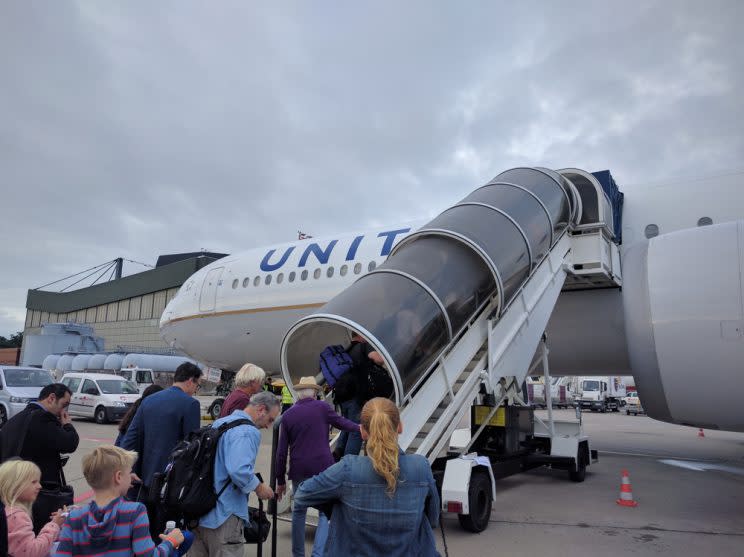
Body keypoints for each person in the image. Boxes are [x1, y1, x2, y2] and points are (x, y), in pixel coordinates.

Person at [294, 398, 440, 557]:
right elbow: (433, 519)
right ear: (399, 427)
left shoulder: (346, 470)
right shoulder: (421, 467)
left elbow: (302, 495)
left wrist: (337, 506)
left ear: (363, 432)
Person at [275, 376, 360, 557]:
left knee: (299, 510)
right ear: (314, 392)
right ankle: (318, 554)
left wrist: (280, 480)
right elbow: (343, 423)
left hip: (299, 470)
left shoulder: (288, 415)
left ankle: (298, 554)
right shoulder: (322, 408)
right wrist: (361, 428)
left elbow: (281, 452)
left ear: (298, 394)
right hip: (322, 467)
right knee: (324, 512)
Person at [188, 391, 280, 557]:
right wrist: (259, 487)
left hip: (199, 512)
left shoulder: (220, 423)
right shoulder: (247, 431)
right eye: (270, 420)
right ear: (261, 410)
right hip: (224, 515)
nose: (268, 426)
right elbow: (239, 470)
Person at [53, 445, 184, 556]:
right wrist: (170, 543)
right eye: (129, 472)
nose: (131, 476)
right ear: (119, 477)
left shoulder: (74, 517)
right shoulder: (135, 512)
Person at [121, 362, 202, 538]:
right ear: (190, 381)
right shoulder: (190, 404)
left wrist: (129, 470)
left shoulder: (149, 400)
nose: (196, 390)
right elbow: (192, 450)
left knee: (145, 535)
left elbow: (130, 439)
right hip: (172, 486)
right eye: (197, 385)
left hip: (144, 483)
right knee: (167, 538)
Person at [0, 382, 79, 533]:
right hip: (38, 494)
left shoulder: (17, 419)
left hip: (11, 489)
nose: (64, 410)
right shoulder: (43, 419)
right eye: (64, 404)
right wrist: (67, 425)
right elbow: (70, 443)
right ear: (51, 398)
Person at [334, 333, 386, 457]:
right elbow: (379, 359)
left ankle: (339, 451)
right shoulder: (363, 347)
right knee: (357, 430)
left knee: (347, 426)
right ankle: (349, 460)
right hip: (355, 396)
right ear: (361, 336)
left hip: (342, 396)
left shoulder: (346, 351)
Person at [0, 459, 64, 557]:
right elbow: (32, 552)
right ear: (15, 485)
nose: (40, 486)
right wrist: (54, 525)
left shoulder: (5, 510)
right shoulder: (16, 516)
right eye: (34, 482)